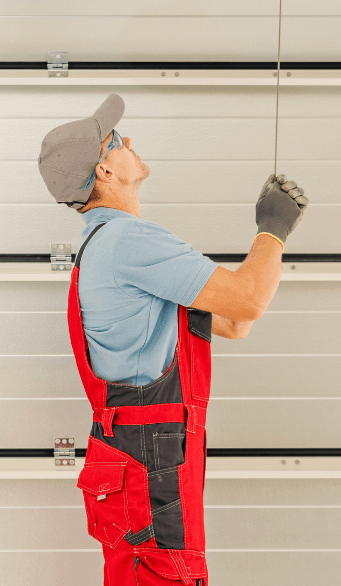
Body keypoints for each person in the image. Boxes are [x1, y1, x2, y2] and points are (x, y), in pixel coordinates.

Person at [37, 94, 309, 586]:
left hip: (134, 454)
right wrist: (274, 229)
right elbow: (247, 301)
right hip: (151, 458)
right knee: (167, 577)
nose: (130, 140)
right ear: (104, 171)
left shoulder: (104, 246)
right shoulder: (128, 241)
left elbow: (234, 322)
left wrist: (269, 239)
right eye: (118, 140)